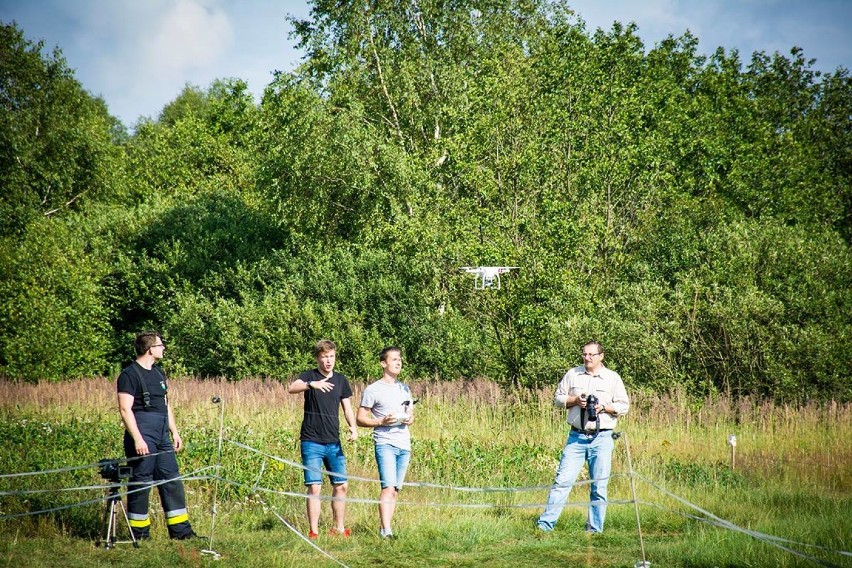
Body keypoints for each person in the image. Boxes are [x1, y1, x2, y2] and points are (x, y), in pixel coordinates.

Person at [536, 340, 630, 534]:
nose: (587, 358)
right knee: (562, 482)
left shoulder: (612, 378)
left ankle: (595, 530)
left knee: (599, 486)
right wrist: (575, 400)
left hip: (602, 438)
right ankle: (544, 527)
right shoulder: (573, 374)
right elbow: (557, 399)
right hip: (576, 437)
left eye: (591, 355)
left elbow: (624, 406)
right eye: (584, 354)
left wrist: (604, 407)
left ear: (601, 356)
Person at [117, 331, 199, 541]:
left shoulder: (159, 373)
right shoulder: (129, 375)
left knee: (172, 480)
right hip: (143, 431)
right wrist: (137, 438)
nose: (163, 348)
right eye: (160, 345)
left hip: (162, 433)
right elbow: (125, 410)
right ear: (149, 349)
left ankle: (182, 533)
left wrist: (175, 432)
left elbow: (165, 404)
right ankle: (140, 535)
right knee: (141, 482)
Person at [288, 339, 358, 539]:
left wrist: (353, 428)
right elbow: (292, 388)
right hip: (311, 440)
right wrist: (312, 385)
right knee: (315, 486)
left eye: (331, 356)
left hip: (334, 442)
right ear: (318, 358)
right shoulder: (309, 376)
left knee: (342, 485)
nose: (328, 361)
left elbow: (347, 408)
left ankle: (339, 528)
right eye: (324, 357)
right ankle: (314, 531)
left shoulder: (341, 380)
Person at [357, 346, 415, 539]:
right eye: (394, 359)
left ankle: (386, 529)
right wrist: (380, 421)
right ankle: (386, 531)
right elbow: (360, 418)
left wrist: (408, 419)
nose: (398, 362)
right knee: (387, 487)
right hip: (385, 443)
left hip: (404, 444)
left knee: (395, 490)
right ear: (384, 363)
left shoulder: (404, 388)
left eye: (400, 359)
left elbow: (411, 415)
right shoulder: (373, 390)